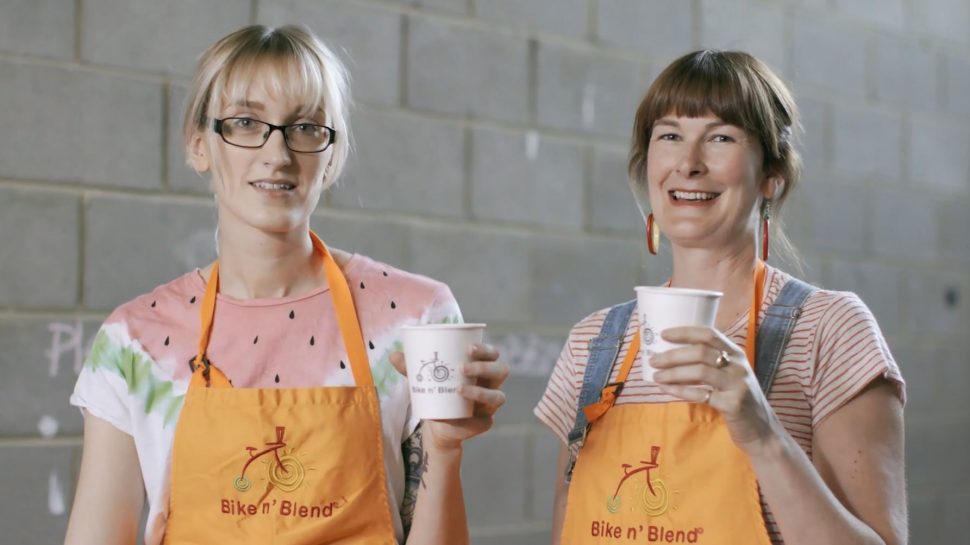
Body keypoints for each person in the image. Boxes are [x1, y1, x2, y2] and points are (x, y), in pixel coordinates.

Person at [64, 24, 508, 545]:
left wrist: (446, 448)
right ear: (198, 144)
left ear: (332, 156)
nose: (277, 154)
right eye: (247, 123)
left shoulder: (417, 319)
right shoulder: (132, 342)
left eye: (304, 127)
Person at [535, 50, 907, 545]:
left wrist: (761, 432)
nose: (688, 164)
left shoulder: (829, 330)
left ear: (772, 174)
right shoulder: (591, 343)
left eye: (720, 138)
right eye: (669, 136)